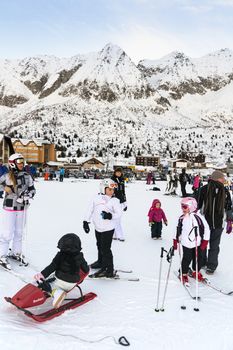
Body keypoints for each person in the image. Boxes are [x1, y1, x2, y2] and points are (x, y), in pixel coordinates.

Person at [34, 233, 89, 309]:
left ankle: (57, 293)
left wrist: (42, 274)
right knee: (53, 281)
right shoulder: (79, 256)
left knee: (46, 285)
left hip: (60, 281)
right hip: (73, 283)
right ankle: (58, 291)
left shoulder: (60, 256)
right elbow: (86, 270)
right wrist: (80, 279)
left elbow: (52, 267)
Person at [0, 153, 36, 270]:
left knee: (19, 232)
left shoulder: (27, 176)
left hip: (22, 208)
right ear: (12, 163)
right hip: (9, 208)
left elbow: (32, 189)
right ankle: (2, 255)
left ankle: (16, 252)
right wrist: (4, 187)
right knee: (7, 233)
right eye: (19, 161)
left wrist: (29, 195)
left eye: (22, 161)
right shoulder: (6, 176)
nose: (21, 164)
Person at [83, 179, 122, 278]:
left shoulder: (114, 201)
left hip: (108, 229)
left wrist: (110, 216)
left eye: (113, 190)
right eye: (109, 189)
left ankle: (108, 269)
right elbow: (89, 210)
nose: (111, 192)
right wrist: (86, 221)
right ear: (103, 188)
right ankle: (100, 262)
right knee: (99, 246)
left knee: (106, 249)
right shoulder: (96, 198)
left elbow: (119, 214)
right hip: (98, 228)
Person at [198, 170, 232, 274]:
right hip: (205, 223)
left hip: (218, 223)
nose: (223, 180)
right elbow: (198, 204)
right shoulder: (204, 189)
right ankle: (203, 262)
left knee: (213, 245)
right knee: (204, 244)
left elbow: (228, 207)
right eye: (222, 178)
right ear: (217, 178)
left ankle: (211, 266)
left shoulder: (225, 192)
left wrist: (230, 220)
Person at [173, 197, 210, 283]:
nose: (183, 209)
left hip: (198, 242)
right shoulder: (181, 218)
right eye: (182, 206)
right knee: (187, 258)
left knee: (198, 259)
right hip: (186, 243)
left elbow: (206, 229)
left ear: (192, 207)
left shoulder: (198, 217)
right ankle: (183, 273)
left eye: (185, 207)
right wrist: (175, 240)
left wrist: (205, 241)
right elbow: (176, 229)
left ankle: (195, 271)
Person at [111, 168, 127, 241]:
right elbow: (110, 191)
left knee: (117, 219)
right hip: (113, 201)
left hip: (120, 201)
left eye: (120, 172)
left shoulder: (122, 180)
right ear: (115, 173)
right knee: (116, 219)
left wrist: (125, 203)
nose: (118, 174)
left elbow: (123, 192)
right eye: (117, 172)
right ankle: (119, 235)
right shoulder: (112, 180)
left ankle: (114, 235)